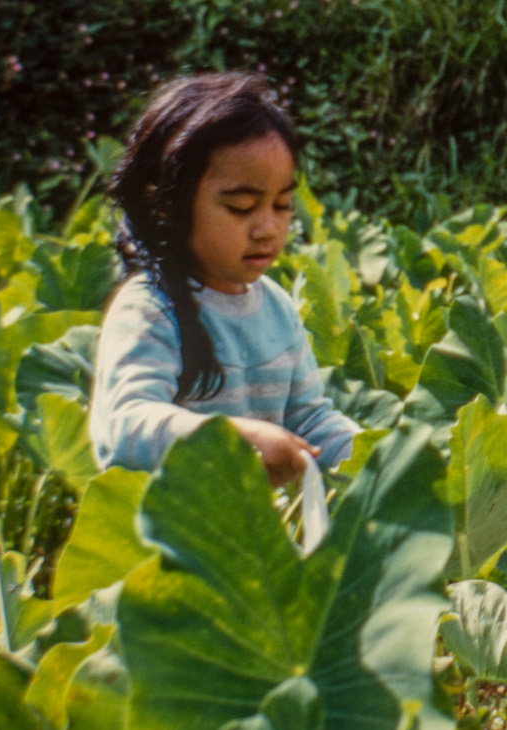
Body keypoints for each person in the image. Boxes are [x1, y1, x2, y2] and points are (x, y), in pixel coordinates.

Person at [90, 72, 358, 485]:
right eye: (241, 207)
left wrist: (380, 458)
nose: (267, 227)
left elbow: (310, 419)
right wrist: (235, 437)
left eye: (282, 205)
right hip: (163, 538)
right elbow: (125, 427)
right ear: (163, 204)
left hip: (244, 534)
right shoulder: (149, 308)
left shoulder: (277, 307)